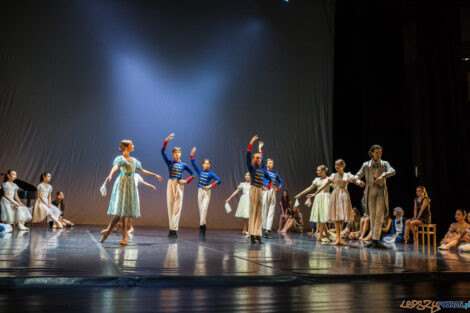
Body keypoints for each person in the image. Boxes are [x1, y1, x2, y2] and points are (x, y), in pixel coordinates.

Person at [100, 139, 162, 245]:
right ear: (126, 147)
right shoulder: (120, 159)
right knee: (122, 214)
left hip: (131, 186)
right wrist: (110, 175)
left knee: (121, 212)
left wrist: (155, 175)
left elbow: (142, 170)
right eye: (131, 144)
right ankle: (124, 238)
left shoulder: (134, 160)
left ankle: (108, 231)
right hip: (122, 184)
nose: (133, 145)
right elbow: (115, 167)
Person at [354, 144, 396, 249]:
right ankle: (374, 239)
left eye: (380, 152)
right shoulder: (366, 165)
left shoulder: (384, 163)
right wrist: (359, 182)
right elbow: (356, 176)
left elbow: (392, 171)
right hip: (370, 191)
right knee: (372, 216)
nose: (379, 154)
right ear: (372, 153)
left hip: (381, 191)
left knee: (379, 215)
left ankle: (376, 239)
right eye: (377, 152)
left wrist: (382, 176)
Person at [311, 159, 360, 246]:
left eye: (338, 165)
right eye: (335, 165)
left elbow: (355, 179)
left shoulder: (347, 175)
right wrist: (314, 193)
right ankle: (338, 239)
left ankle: (339, 239)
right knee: (336, 218)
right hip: (336, 195)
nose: (336, 167)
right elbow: (324, 185)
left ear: (343, 166)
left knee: (341, 218)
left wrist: (359, 182)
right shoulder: (333, 175)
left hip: (344, 195)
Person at [161, 133, 195, 239]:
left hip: (179, 185)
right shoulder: (170, 162)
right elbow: (162, 152)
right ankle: (171, 229)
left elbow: (193, 174)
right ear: (173, 154)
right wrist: (166, 140)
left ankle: (174, 229)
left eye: (179, 152)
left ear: (181, 153)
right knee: (170, 206)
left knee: (177, 208)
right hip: (171, 183)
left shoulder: (183, 165)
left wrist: (186, 181)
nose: (177, 153)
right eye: (175, 152)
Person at [190, 147, 222, 237]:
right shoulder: (200, 172)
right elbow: (193, 164)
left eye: (208, 164)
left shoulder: (211, 173)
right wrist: (192, 154)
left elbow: (219, 180)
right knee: (201, 210)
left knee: (204, 209)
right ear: (202, 164)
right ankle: (203, 226)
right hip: (200, 191)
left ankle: (201, 227)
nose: (207, 165)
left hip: (207, 192)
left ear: (210, 165)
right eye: (205, 164)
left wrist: (210, 185)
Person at [295, 165, 332, 242]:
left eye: (318, 170)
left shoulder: (329, 179)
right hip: (318, 198)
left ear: (324, 171)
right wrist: (300, 194)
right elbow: (309, 188)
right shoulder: (317, 180)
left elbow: (335, 186)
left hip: (326, 198)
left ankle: (321, 236)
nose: (317, 172)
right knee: (321, 218)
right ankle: (325, 234)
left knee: (324, 217)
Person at [246, 135, 272, 244]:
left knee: (259, 213)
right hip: (253, 190)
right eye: (256, 158)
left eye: (260, 158)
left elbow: (270, 179)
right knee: (253, 212)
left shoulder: (262, 169)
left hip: (260, 190)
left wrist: (268, 187)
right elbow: (247, 156)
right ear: (253, 159)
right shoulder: (252, 168)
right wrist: (251, 143)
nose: (259, 159)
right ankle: (252, 234)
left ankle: (258, 234)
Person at [258, 142, 283, 239]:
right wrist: (260, 149)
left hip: (272, 191)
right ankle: (264, 228)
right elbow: (261, 160)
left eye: (272, 163)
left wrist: (277, 188)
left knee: (271, 210)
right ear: (267, 164)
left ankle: (268, 229)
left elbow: (281, 182)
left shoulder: (275, 173)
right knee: (264, 209)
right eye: (270, 163)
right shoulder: (264, 170)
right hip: (265, 191)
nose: (271, 164)